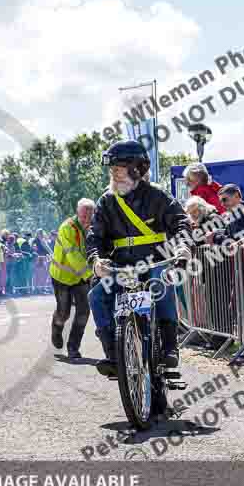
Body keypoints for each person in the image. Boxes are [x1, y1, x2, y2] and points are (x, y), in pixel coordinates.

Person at [87, 140, 192, 378]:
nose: (114, 172)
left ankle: (168, 347)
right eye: (112, 167)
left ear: (138, 169)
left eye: (120, 166)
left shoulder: (158, 196)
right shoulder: (106, 201)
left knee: (160, 282)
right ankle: (114, 355)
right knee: (96, 295)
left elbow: (181, 222)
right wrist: (96, 260)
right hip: (121, 266)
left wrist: (183, 248)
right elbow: (94, 236)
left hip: (155, 261)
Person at [49, 199, 95, 359]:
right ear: (77, 213)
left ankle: (73, 347)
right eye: (83, 217)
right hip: (62, 277)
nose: (86, 221)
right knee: (64, 312)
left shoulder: (93, 227)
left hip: (80, 278)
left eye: (89, 217)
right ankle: (56, 328)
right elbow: (73, 255)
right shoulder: (67, 228)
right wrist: (90, 275)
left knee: (84, 311)